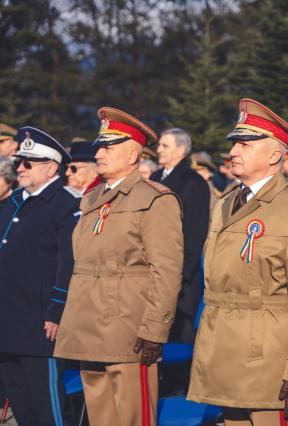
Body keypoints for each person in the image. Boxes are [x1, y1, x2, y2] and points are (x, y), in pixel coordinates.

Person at [187, 99, 288, 426]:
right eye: (234, 144)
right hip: (224, 350)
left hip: (267, 358)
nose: (234, 152)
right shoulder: (226, 203)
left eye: (245, 144)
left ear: (273, 155)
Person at [54, 107, 183, 426]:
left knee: (131, 417)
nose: (99, 153)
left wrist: (155, 329)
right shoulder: (92, 198)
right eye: (99, 146)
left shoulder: (154, 199)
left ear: (132, 154)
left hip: (128, 328)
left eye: (108, 147)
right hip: (88, 324)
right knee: (100, 416)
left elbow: (166, 270)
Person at [0, 126, 79, 425]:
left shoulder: (65, 204)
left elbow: (68, 263)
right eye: (19, 161)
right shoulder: (18, 199)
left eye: (27, 163)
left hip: (38, 322)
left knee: (47, 406)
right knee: (21, 403)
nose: (19, 167)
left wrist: (57, 310)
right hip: (8, 319)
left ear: (51, 168)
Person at [151, 128, 211, 344]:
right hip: (151, 272)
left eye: (165, 145)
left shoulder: (194, 183)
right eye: (159, 145)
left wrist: (179, 277)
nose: (158, 149)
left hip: (178, 278)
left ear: (181, 150)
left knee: (175, 345)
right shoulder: (155, 177)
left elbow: (194, 235)